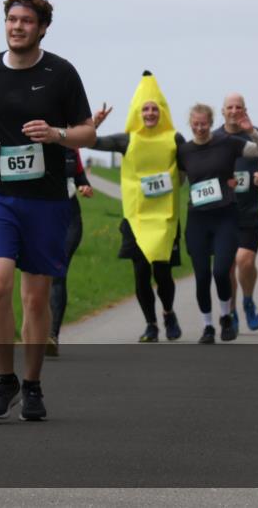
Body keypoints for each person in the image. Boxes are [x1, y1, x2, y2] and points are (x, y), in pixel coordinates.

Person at [0, 0, 95, 420]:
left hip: (45, 199)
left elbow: (87, 132)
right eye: (12, 20)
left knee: (36, 299)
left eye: (26, 21)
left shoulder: (61, 73)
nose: (17, 27)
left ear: (42, 29)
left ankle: (33, 385)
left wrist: (57, 134)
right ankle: (5, 379)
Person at [91, 71, 184, 343]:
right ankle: (151, 324)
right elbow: (91, 142)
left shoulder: (175, 139)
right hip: (136, 218)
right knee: (141, 274)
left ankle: (168, 312)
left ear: (162, 111)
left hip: (165, 219)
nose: (150, 113)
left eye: (154, 108)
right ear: (137, 112)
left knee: (162, 273)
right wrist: (94, 125)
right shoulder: (127, 139)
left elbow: (195, 162)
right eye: (145, 109)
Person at [177, 103, 258, 344]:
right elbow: (177, 181)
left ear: (211, 123)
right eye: (195, 124)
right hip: (197, 219)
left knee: (221, 272)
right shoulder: (184, 151)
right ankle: (208, 326)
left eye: (204, 124)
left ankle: (226, 317)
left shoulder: (227, 143)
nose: (200, 128)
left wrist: (251, 131)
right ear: (190, 124)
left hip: (225, 217)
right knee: (201, 276)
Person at [213, 94, 258, 333]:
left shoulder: (256, 135)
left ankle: (248, 300)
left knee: (245, 261)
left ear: (245, 110)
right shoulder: (214, 138)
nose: (234, 110)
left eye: (238, 107)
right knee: (228, 266)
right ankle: (231, 310)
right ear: (223, 111)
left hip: (248, 211)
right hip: (222, 213)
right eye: (229, 107)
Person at [45, 149, 93, 356]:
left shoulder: (71, 147)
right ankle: (37, 331)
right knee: (39, 276)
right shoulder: (32, 141)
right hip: (40, 216)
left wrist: (85, 185)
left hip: (69, 218)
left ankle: (52, 336)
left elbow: (79, 175)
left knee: (57, 274)